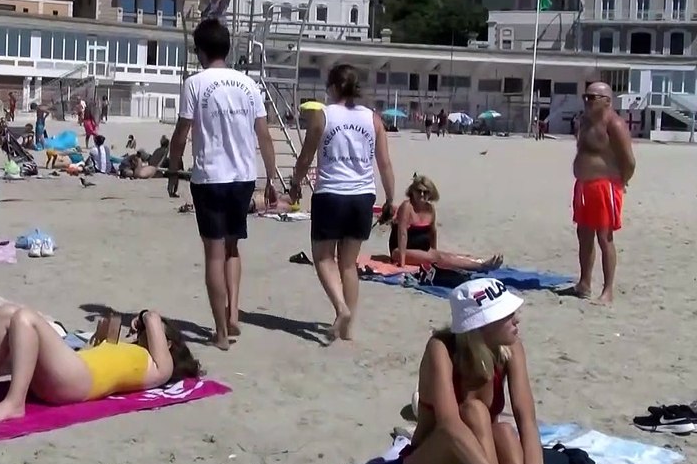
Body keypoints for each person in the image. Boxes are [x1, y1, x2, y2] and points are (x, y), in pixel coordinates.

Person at [402, 278, 546, 464]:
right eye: (507, 314)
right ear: (481, 326)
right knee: (473, 411)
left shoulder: (511, 348)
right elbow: (450, 426)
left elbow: (527, 419)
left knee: (504, 431)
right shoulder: (442, 349)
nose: (517, 319)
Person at [169, 18, 279, 350]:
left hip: (210, 178)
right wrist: (271, 179)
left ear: (200, 51)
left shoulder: (195, 83)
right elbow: (264, 135)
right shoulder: (249, 84)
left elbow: (180, 135)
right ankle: (233, 314)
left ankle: (220, 332)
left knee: (214, 255)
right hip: (243, 177)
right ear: (228, 48)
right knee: (232, 248)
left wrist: (174, 170)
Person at [289, 63, 396, 342]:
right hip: (362, 196)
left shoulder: (322, 115)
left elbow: (306, 157)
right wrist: (391, 198)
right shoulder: (372, 119)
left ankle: (341, 309)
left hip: (331, 194)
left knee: (323, 257)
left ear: (333, 87)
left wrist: (295, 182)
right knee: (348, 264)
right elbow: (384, 163)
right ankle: (347, 328)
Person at [0, 305, 202, 423]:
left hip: (77, 383)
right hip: (72, 371)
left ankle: (15, 403)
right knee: (7, 313)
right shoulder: (133, 352)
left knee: (25, 318)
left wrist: (144, 317)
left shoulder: (160, 367)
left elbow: (154, 316)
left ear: (168, 344)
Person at [572, 82, 635, 304]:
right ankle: (584, 283)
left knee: (604, 237)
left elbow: (629, 160)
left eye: (592, 98)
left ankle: (607, 291)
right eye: (585, 97)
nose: (587, 101)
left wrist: (621, 182)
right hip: (584, 185)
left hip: (605, 185)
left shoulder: (615, 124)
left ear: (607, 100)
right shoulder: (584, 121)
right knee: (584, 234)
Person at [391, 175, 504, 272]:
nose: (422, 194)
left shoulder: (430, 209)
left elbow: (432, 232)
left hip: (422, 249)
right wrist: (402, 261)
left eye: (425, 192)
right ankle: (480, 267)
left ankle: (482, 261)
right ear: (412, 191)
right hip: (400, 250)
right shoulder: (407, 207)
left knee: (449, 256)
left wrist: (434, 250)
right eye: (418, 191)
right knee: (439, 258)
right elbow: (402, 234)